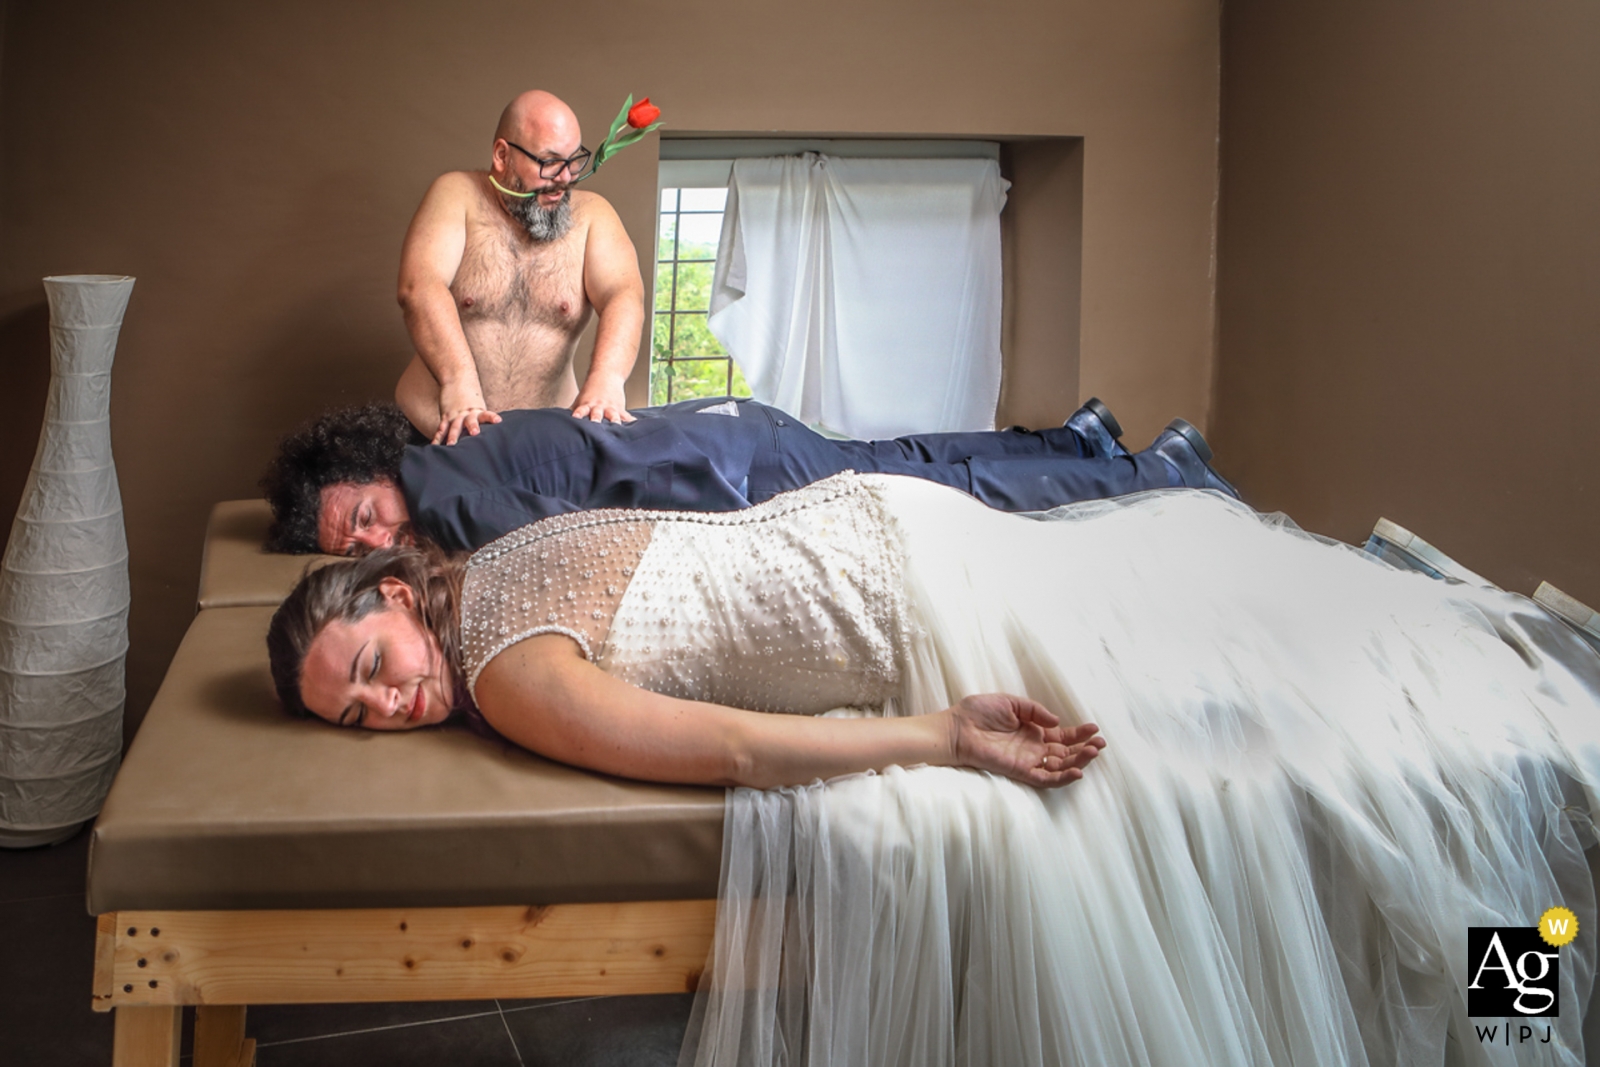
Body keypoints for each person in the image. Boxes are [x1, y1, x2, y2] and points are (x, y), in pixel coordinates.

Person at [266, 471, 1600, 1065]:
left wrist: (940, 734)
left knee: (1297, 760)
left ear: (396, 586)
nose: (389, 703)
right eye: (355, 717)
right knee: (1276, 695)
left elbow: (729, 749)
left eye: (371, 663)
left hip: (903, 606)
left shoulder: (501, 660)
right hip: (892, 539)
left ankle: (1525, 944)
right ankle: (1518, 833)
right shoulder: (499, 559)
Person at [260, 395, 1238, 555]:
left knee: (945, 499)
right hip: (727, 435)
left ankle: (1157, 471)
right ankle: (1085, 442)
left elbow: (548, 538)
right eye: (359, 546)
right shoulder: (457, 440)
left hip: (727, 478)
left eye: (363, 517)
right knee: (896, 461)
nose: (382, 539)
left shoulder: (438, 486)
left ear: (371, 468)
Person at [395, 90, 644, 443]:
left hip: (545, 441)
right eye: (549, 161)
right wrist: (458, 384)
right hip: (437, 432)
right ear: (502, 155)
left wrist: (608, 380)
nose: (565, 178)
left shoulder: (594, 216)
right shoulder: (456, 194)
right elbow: (419, 285)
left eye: (574, 161)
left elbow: (624, 295)